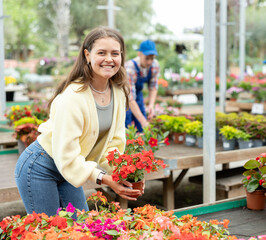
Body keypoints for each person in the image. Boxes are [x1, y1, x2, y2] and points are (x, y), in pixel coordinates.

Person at [15, 27, 144, 217]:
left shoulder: (118, 92)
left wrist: (126, 172)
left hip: (73, 167)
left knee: (80, 228)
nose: (109, 59)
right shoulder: (72, 97)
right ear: (87, 55)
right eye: (102, 53)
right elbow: (66, 156)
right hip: (40, 167)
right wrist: (106, 179)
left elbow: (113, 144)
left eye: (115, 53)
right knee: (49, 232)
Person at [125, 40, 160, 132]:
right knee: (127, 126)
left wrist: (151, 105)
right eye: (147, 58)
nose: (149, 62)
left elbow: (153, 87)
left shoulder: (155, 65)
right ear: (139, 54)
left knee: (141, 128)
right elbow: (130, 98)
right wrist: (144, 122)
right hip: (124, 98)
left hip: (138, 96)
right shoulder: (130, 67)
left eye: (152, 58)